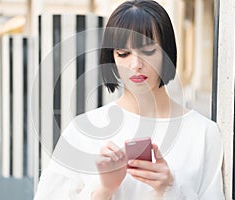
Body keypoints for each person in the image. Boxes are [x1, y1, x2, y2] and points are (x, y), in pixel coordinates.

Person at [34, 0, 225, 199]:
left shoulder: (203, 133)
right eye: (123, 54)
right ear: (112, 58)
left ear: (167, 52)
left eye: (148, 51)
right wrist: (104, 189)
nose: (135, 64)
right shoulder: (83, 130)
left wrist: (170, 188)